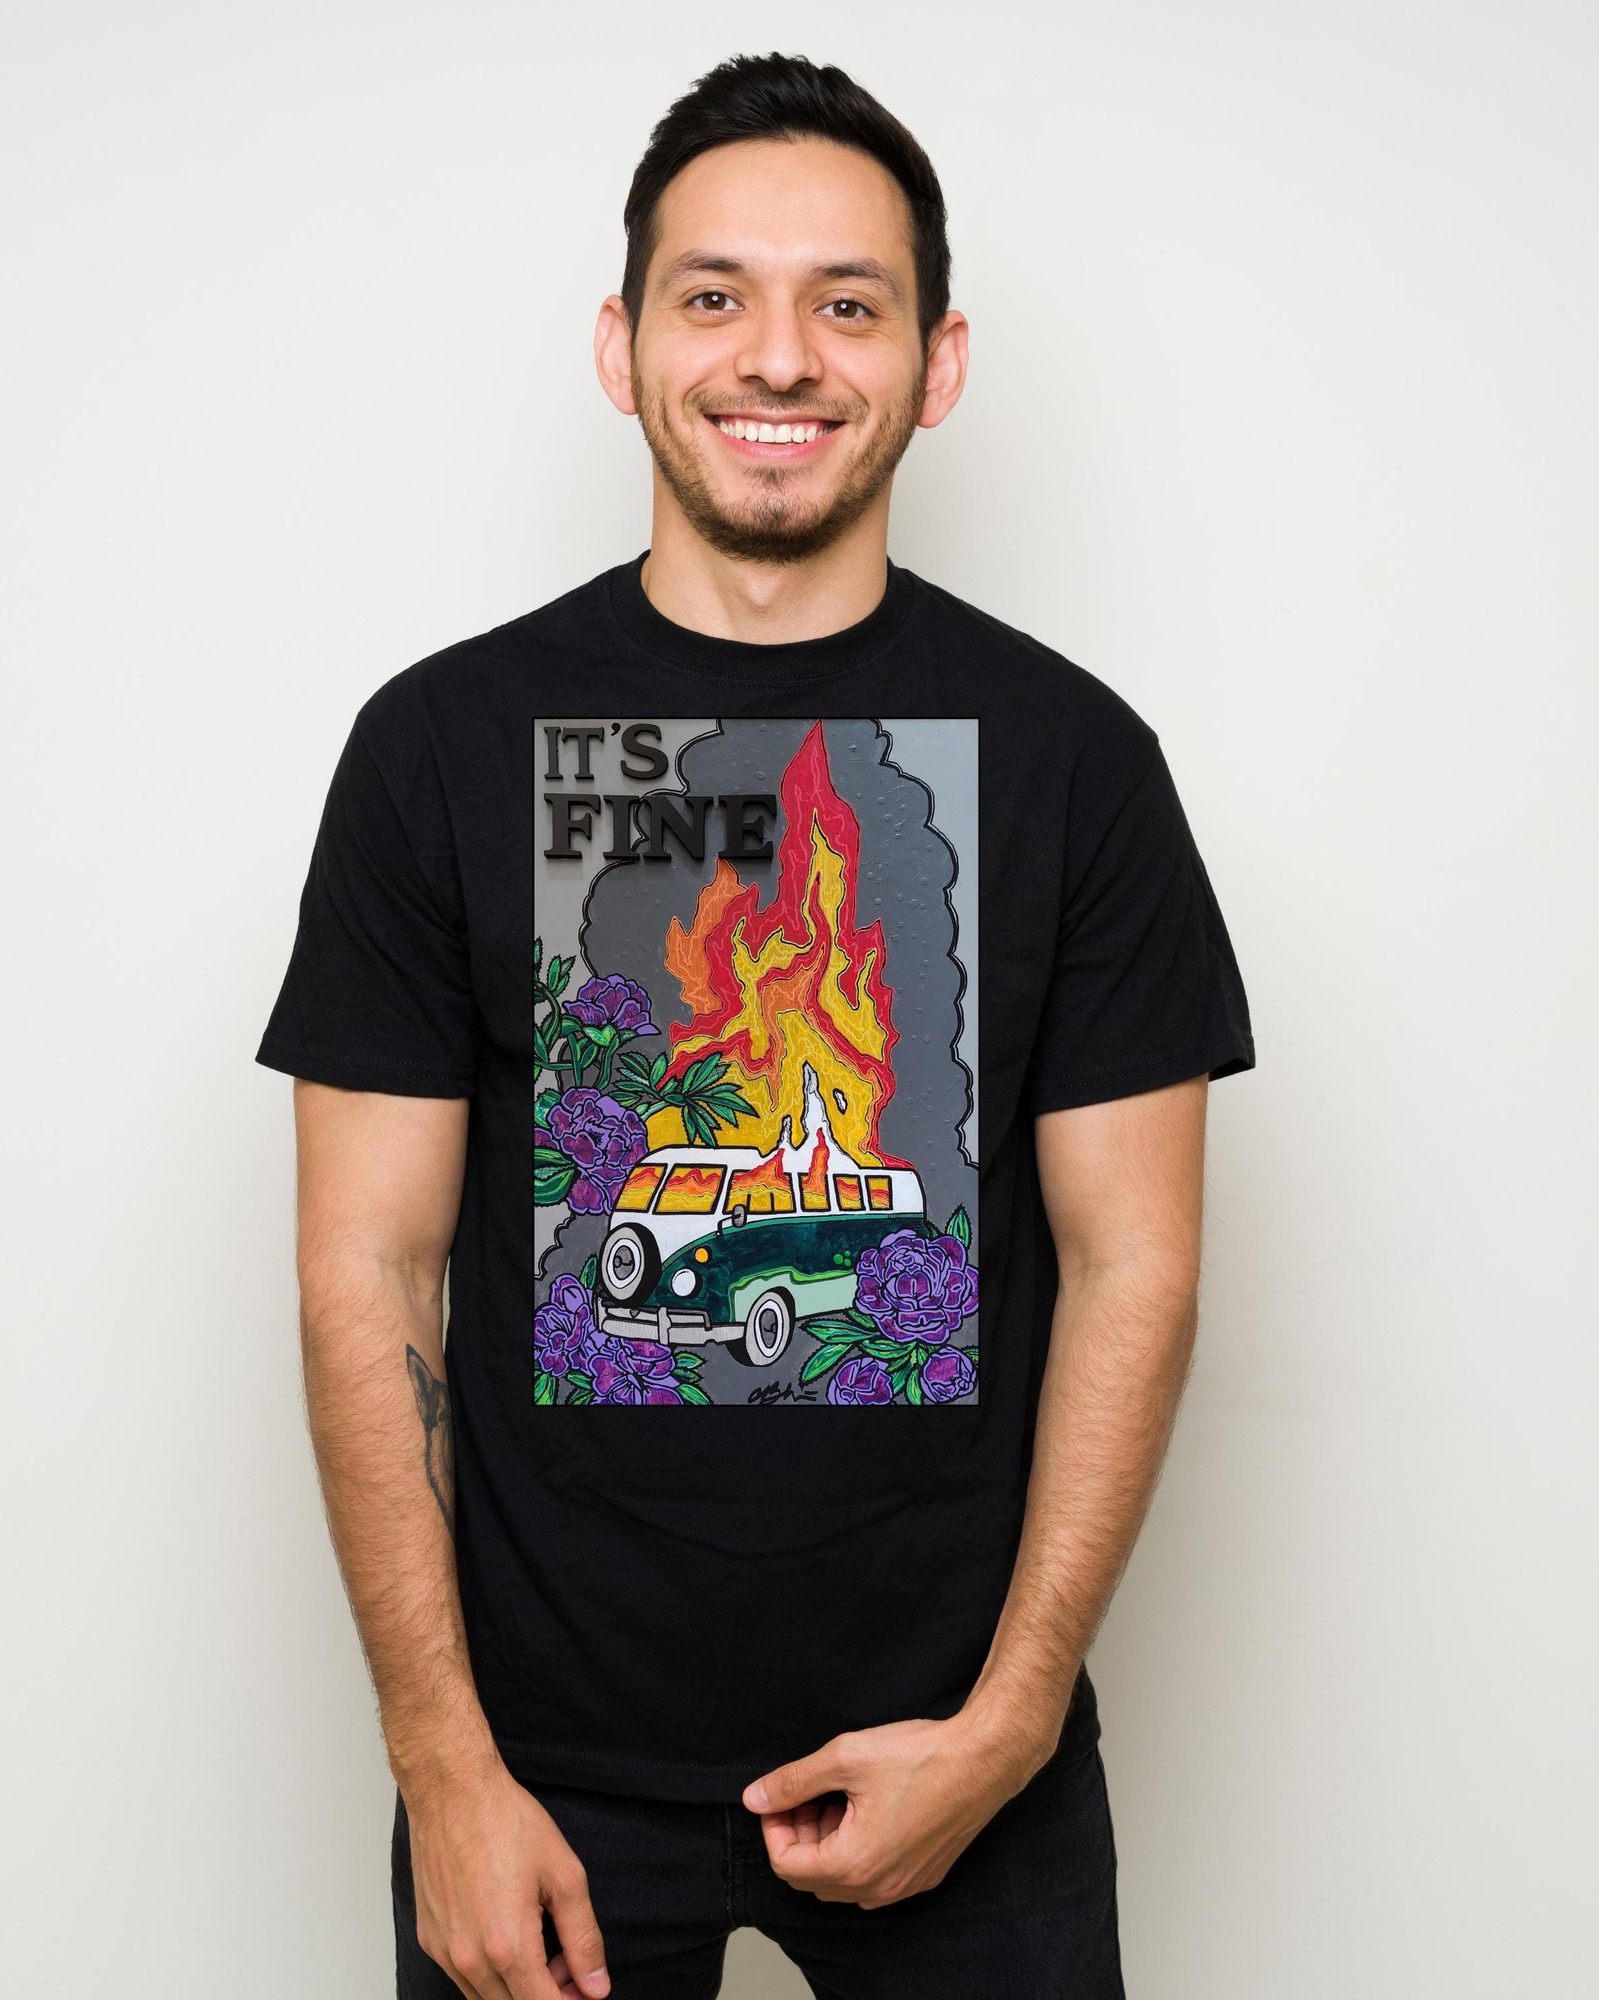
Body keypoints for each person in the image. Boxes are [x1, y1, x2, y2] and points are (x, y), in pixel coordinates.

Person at [258, 50, 1254, 2000]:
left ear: (935, 363)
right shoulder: (438, 746)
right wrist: (442, 1765)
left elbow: (1134, 1260)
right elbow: (363, 1265)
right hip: (535, 1778)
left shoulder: (1075, 759)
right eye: (713, 295)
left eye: (846, 304)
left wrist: (1010, 1723)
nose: (777, 356)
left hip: (965, 1756)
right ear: (621, 346)